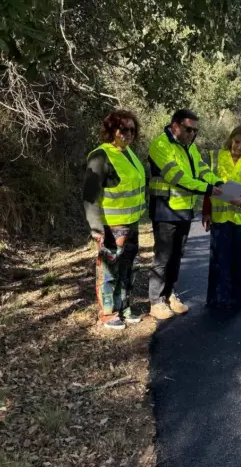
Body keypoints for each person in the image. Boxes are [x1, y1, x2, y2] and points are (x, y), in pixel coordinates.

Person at [147, 109, 223, 320]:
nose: (192, 134)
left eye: (195, 130)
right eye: (188, 129)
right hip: (165, 208)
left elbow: (202, 169)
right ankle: (156, 301)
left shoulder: (190, 147)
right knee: (163, 256)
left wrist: (217, 182)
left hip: (184, 209)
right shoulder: (161, 145)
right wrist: (207, 189)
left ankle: (170, 294)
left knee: (176, 255)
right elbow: (177, 177)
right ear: (175, 126)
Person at [82, 110, 147, 330]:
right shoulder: (100, 156)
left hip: (132, 224)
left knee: (127, 269)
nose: (128, 134)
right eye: (123, 129)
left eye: (132, 130)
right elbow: (90, 195)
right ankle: (108, 314)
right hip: (111, 227)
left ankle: (124, 308)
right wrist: (96, 227)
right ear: (111, 130)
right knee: (109, 271)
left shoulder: (129, 153)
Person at [201, 125, 241, 309]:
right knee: (218, 258)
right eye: (236, 142)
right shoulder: (216, 157)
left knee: (239, 259)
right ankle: (216, 298)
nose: (239, 147)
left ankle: (237, 299)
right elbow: (208, 186)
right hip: (220, 216)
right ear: (231, 139)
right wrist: (206, 211)